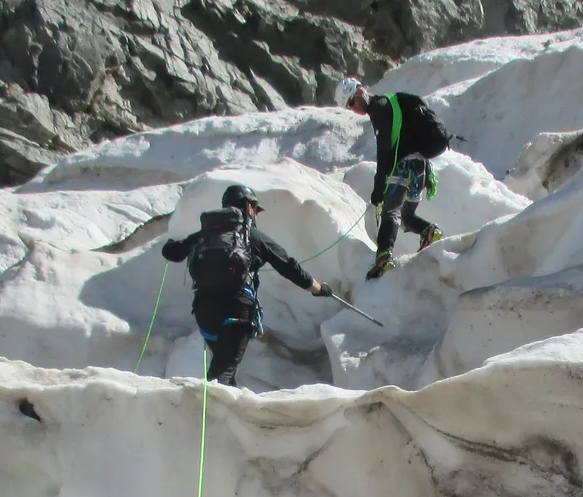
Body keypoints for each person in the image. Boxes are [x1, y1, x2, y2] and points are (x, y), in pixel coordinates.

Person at [161, 183, 330, 385]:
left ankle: (222, 398)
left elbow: (172, 253)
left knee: (223, 363)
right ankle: (210, 402)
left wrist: (170, 245)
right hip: (237, 308)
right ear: (249, 207)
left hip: (204, 310)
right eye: (255, 210)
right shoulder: (253, 236)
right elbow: (289, 267)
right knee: (223, 371)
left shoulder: (204, 235)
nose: (255, 215)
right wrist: (319, 289)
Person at [337, 77, 448, 280]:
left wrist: (378, 190)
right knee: (406, 216)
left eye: (351, 102)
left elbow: (385, 153)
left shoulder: (379, 109)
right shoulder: (390, 102)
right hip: (421, 168)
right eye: (348, 106)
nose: (353, 108)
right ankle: (429, 231)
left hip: (404, 167)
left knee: (390, 212)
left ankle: (383, 258)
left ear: (360, 91)